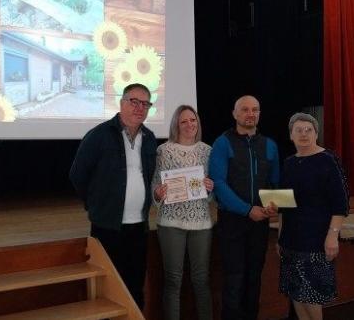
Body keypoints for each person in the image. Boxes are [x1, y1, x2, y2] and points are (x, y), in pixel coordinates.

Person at [69, 83, 157, 309]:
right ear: (122, 103)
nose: (139, 107)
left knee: (135, 285)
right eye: (134, 101)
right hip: (107, 227)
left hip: (138, 227)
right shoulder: (99, 135)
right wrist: (95, 205)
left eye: (145, 103)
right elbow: (78, 175)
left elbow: (148, 175)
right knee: (108, 288)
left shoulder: (149, 137)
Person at [209, 95, 280, 320]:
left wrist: (274, 206)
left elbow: (275, 183)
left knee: (254, 278)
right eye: (245, 109)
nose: (250, 114)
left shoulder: (270, 145)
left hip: (260, 224)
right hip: (233, 223)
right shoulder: (222, 143)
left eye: (255, 110)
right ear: (235, 114)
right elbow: (218, 184)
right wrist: (248, 210)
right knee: (234, 279)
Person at [277, 113, 350, 320]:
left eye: (309, 130)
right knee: (296, 292)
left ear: (316, 134)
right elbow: (284, 204)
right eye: (298, 130)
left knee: (311, 295)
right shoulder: (289, 163)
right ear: (291, 135)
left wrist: (333, 235)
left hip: (316, 239)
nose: (304, 134)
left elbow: (340, 204)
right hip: (291, 240)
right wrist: (281, 237)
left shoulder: (328, 160)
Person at [152, 105, 214, 320]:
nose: (190, 125)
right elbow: (155, 188)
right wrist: (159, 194)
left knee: (201, 280)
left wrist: (209, 188)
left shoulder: (208, 151)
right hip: (171, 223)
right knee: (173, 281)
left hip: (201, 224)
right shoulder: (164, 151)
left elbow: (211, 195)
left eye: (193, 120)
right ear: (176, 125)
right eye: (184, 121)